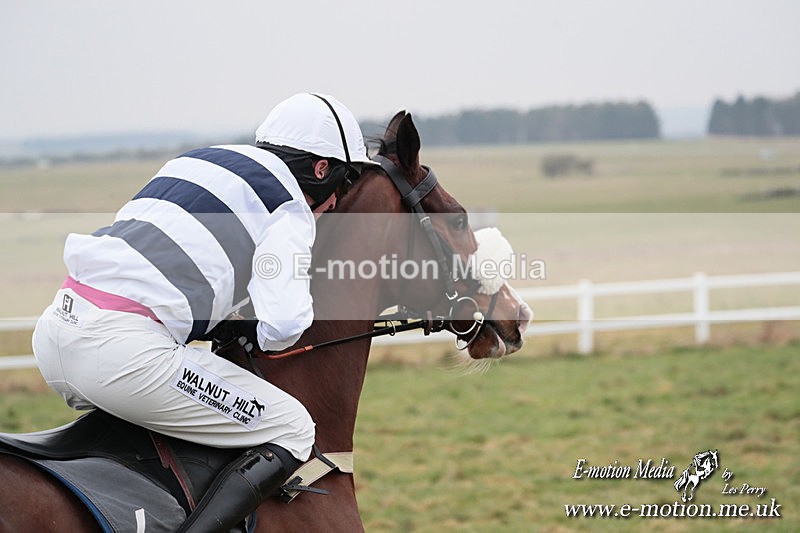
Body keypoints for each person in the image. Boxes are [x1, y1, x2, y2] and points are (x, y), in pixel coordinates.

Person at [31, 93, 374, 531]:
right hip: (120, 352)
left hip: (55, 330)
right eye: (342, 187)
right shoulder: (290, 206)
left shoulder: (197, 160)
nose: (333, 205)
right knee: (292, 427)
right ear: (323, 170)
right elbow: (282, 328)